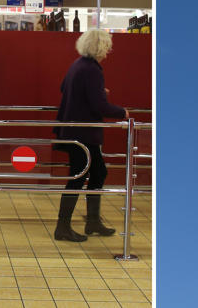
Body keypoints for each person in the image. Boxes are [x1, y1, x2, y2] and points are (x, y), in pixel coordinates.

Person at [53, 29, 129, 242]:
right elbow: (99, 106)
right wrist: (122, 112)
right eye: (107, 46)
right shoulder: (93, 69)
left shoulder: (78, 65)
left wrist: (96, 92)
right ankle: (63, 226)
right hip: (83, 133)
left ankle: (92, 221)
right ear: (101, 47)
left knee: (97, 172)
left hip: (74, 131)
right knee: (79, 177)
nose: (109, 51)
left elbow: (64, 88)